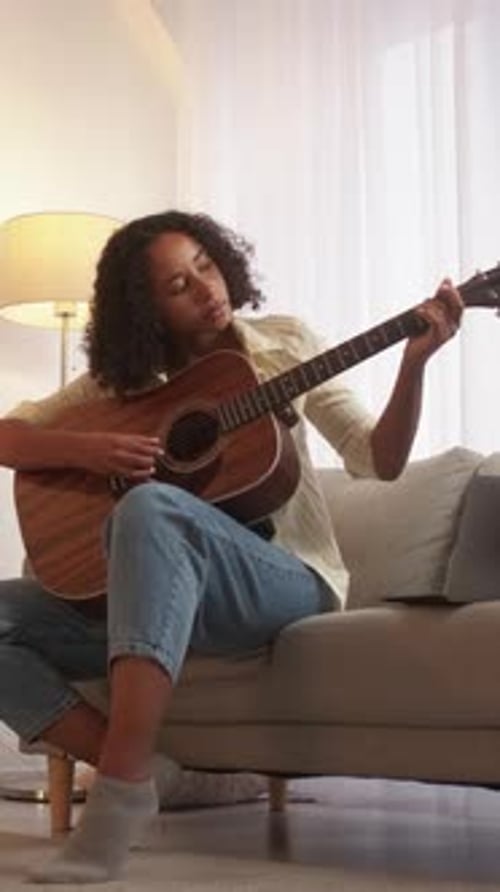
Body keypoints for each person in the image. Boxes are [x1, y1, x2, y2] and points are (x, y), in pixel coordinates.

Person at [0, 210, 463, 883]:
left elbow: (379, 459)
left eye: (206, 266)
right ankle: (151, 772)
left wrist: (413, 365)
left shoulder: (283, 344)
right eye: (178, 285)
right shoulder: (123, 387)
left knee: (154, 503)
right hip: (160, 599)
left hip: (282, 583)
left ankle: (119, 794)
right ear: (145, 308)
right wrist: (89, 447)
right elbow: (10, 436)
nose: (206, 288)